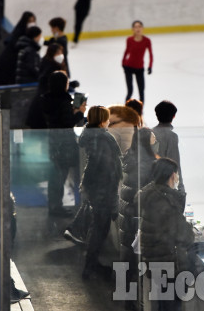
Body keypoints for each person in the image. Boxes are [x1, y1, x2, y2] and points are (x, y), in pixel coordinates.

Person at [135, 158, 194, 311]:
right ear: (171, 175)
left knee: (162, 304)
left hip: (155, 262)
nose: (178, 178)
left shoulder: (151, 195)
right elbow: (184, 235)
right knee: (171, 306)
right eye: (176, 174)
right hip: (168, 264)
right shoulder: (164, 201)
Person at [78, 106, 124, 279]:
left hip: (96, 189)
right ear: (101, 120)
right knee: (100, 229)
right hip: (103, 191)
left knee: (98, 227)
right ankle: (90, 266)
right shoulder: (104, 138)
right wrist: (113, 201)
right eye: (106, 118)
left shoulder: (92, 137)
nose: (109, 121)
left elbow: (94, 164)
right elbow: (107, 169)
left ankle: (91, 263)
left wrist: (86, 185)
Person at [118, 127, 159, 308]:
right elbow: (146, 192)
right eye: (152, 135)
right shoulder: (146, 163)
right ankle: (137, 301)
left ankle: (128, 298)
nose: (155, 136)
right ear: (145, 140)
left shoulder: (131, 157)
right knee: (138, 263)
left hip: (128, 215)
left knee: (129, 260)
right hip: (138, 217)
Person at [41, 71, 86, 217]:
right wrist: (79, 112)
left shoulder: (46, 99)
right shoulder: (64, 100)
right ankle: (56, 207)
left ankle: (53, 205)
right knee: (60, 176)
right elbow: (67, 123)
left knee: (54, 176)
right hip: (64, 144)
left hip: (52, 141)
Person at [26, 43, 68, 129]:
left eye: (61, 52)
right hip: (40, 116)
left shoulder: (47, 64)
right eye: (58, 53)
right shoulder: (51, 69)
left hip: (39, 112)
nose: (60, 55)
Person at [0, 11, 36, 86]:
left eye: (33, 21)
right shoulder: (19, 33)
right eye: (29, 21)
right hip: (9, 64)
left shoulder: (24, 33)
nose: (32, 24)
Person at [152, 100, 184, 191]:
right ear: (173, 116)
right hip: (164, 185)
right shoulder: (171, 136)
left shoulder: (149, 133)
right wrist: (181, 188)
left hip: (148, 183)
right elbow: (175, 162)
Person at [122, 20, 153, 103]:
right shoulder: (129, 40)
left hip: (139, 68)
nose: (137, 29)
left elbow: (150, 54)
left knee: (141, 91)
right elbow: (126, 51)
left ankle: (140, 112)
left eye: (139, 26)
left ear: (142, 28)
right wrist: (123, 63)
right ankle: (125, 109)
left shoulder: (147, 40)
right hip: (128, 67)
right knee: (130, 91)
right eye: (135, 27)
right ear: (133, 29)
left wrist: (150, 66)